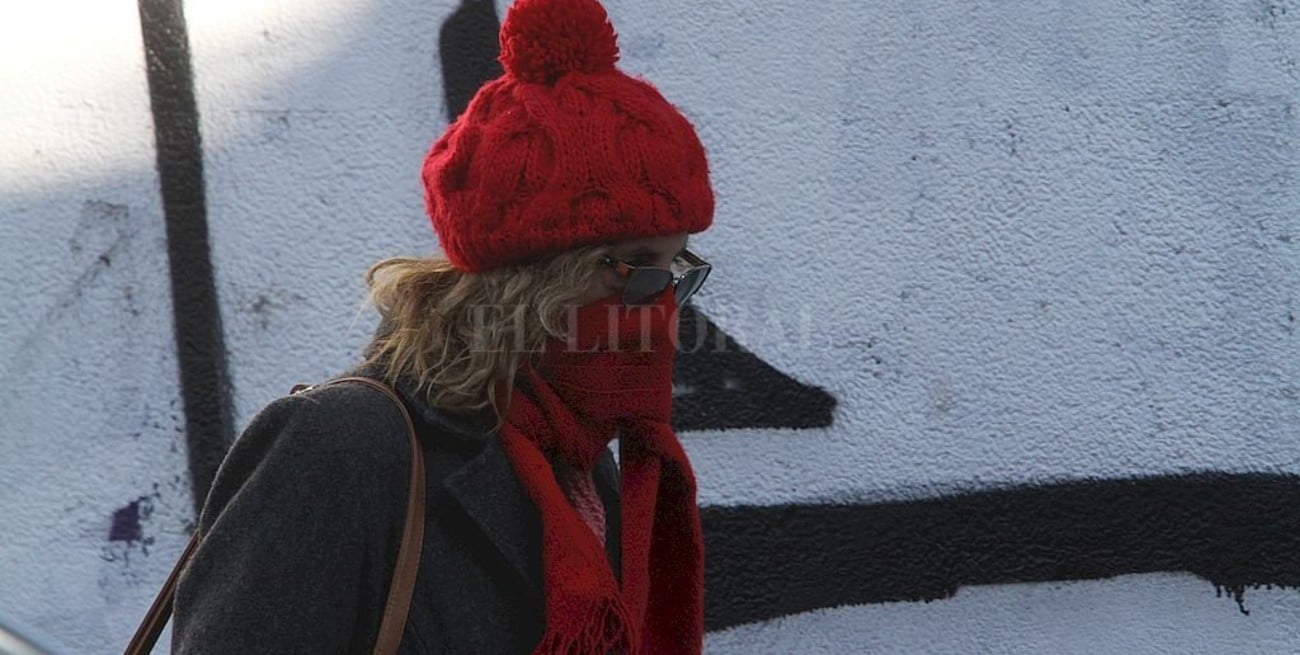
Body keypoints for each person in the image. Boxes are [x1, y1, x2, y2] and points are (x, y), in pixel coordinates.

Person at [171, 0, 716, 652]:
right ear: (535, 277)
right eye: (638, 267)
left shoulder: (583, 471)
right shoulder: (340, 450)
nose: (662, 305)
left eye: (673, 268)